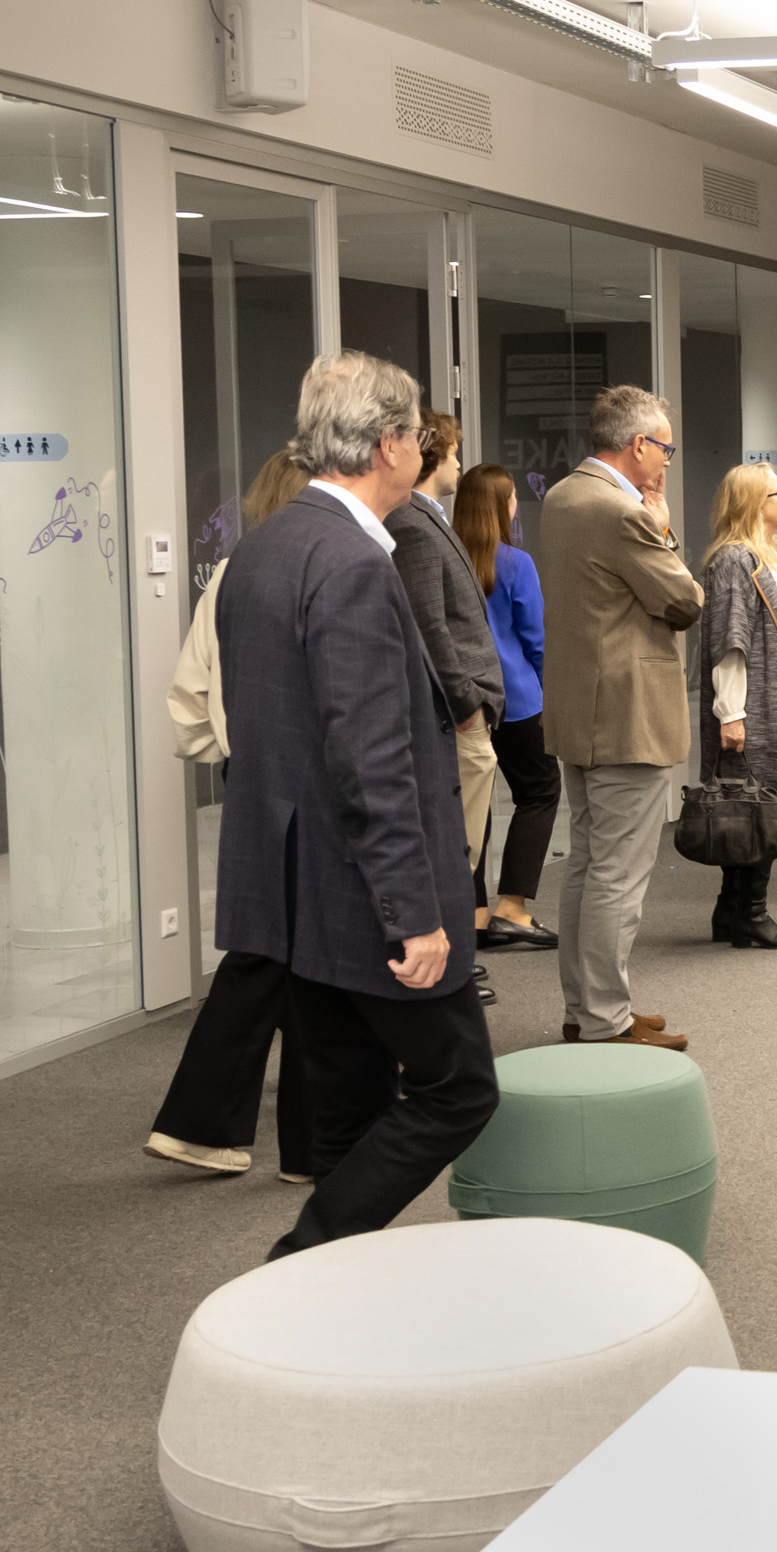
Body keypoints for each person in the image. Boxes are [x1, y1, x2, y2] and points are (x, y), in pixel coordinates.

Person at [214, 352, 496, 1252]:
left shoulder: (263, 548)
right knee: (459, 1089)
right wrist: (414, 914)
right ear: (387, 447)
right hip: (362, 893)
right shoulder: (352, 566)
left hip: (294, 890)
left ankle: (336, 1289)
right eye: (417, 435)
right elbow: (370, 761)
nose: (424, 450)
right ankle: (301, 1258)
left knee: (349, 1101)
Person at [145, 448, 322, 1179]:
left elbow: (189, 701)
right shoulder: (324, 569)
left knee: (281, 952)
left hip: (250, 772)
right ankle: (271, 1138)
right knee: (289, 952)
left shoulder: (229, 573)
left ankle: (245, 1133)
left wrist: (229, 744)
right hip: (308, 779)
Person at [534, 383, 702, 1051]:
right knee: (617, 875)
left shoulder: (562, 496)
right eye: (665, 449)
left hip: (580, 708)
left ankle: (587, 1008)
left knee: (587, 865)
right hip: (627, 715)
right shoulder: (622, 511)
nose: (666, 461)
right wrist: (663, 527)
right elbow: (683, 601)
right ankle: (605, 1022)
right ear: (637, 445)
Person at [389, 410, 515, 1006]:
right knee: (454, 850)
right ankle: (448, 967)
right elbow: (430, 625)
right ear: (431, 455)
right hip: (460, 712)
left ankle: (458, 960)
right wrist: (466, 703)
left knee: (465, 845)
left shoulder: (427, 517)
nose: (460, 464)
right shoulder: (410, 523)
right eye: (455, 452)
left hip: (470, 707)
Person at [698, 463, 777, 951]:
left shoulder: (766, 555)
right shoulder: (735, 559)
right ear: (752, 503)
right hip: (755, 705)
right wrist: (732, 713)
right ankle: (752, 914)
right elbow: (731, 641)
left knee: (753, 807)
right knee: (761, 809)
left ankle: (731, 910)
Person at [454, 463, 557, 953]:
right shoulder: (516, 562)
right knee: (540, 791)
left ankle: (475, 916)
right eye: (513, 497)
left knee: (475, 804)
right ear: (501, 506)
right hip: (517, 699)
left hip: (464, 701)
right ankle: (512, 908)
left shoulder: (449, 558)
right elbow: (536, 641)